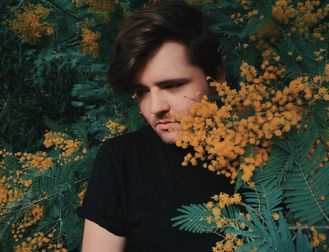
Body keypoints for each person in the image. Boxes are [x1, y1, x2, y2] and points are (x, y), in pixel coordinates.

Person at [76, 1, 235, 251]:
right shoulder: (122, 160)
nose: (155, 108)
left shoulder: (269, 152)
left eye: (172, 85)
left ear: (216, 76)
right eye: (141, 92)